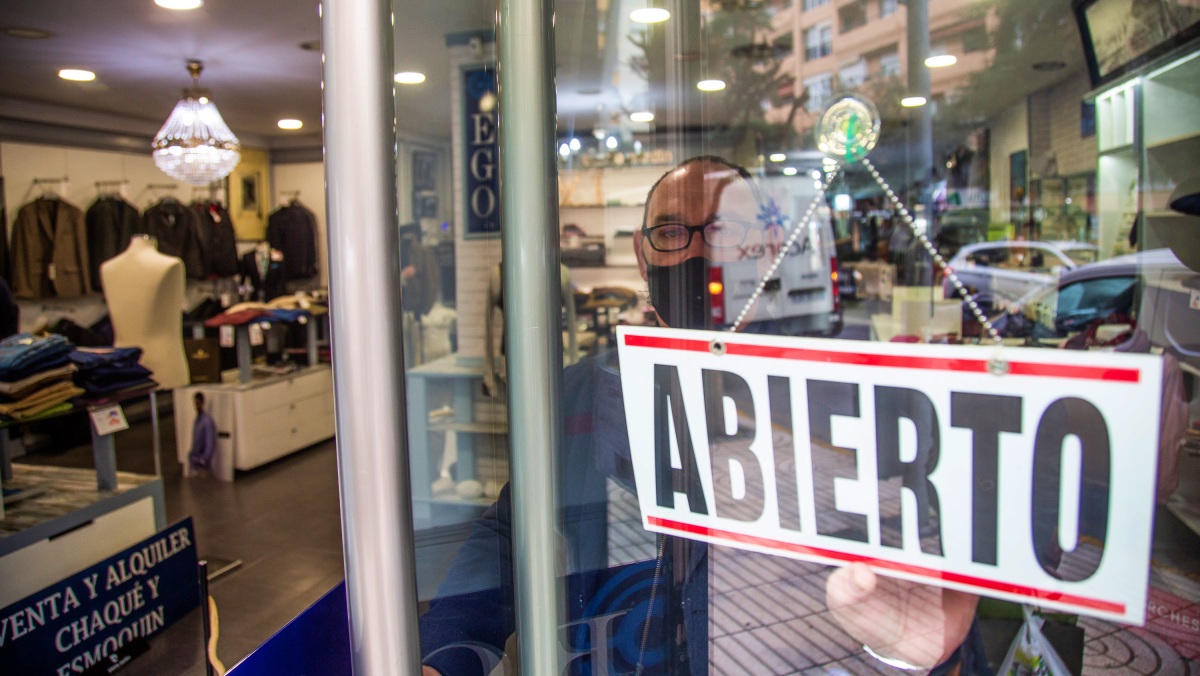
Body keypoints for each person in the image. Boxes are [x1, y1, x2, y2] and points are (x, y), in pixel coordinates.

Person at [418, 156, 983, 675]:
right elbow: (512, 531)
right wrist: (446, 653)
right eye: (670, 233)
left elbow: (908, 616)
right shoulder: (583, 395)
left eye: (721, 232)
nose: (693, 252)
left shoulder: (837, 404)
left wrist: (908, 656)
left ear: (766, 250)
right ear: (643, 256)